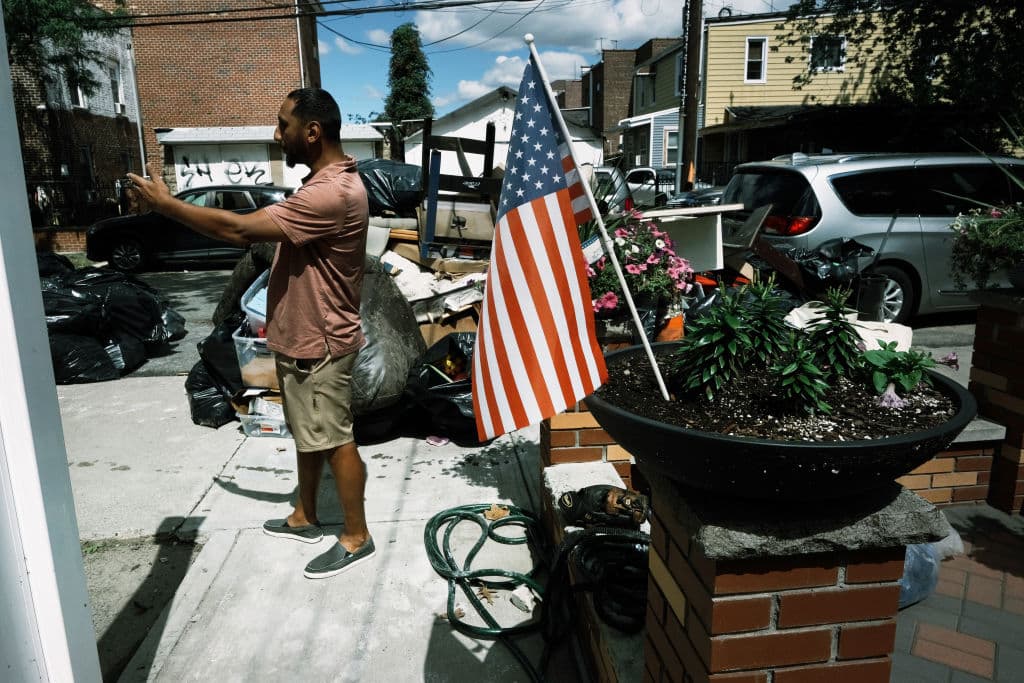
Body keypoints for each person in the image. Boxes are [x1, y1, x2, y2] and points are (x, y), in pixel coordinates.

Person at [127, 87, 372, 580]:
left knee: (335, 439)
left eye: (282, 124)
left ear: (312, 131)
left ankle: (356, 535)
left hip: (320, 345)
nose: (275, 134)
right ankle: (304, 514)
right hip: (303, 339)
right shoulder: (322, 182)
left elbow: (238, 231)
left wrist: (166, 205)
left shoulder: (331, 192)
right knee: (309, 434)